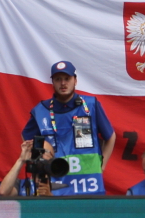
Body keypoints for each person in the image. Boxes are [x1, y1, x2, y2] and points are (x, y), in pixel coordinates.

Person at [19, 60, 116, 195]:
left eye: (67, 78)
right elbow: (27, 139)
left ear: (75, 80)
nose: (63, 83)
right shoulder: (41, 110)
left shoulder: (90, 105)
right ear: (52, 82)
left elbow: (110, 137)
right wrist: (39, 166)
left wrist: (102, 166)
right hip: (56, 186)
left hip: (90, 185)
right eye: (58, 79)